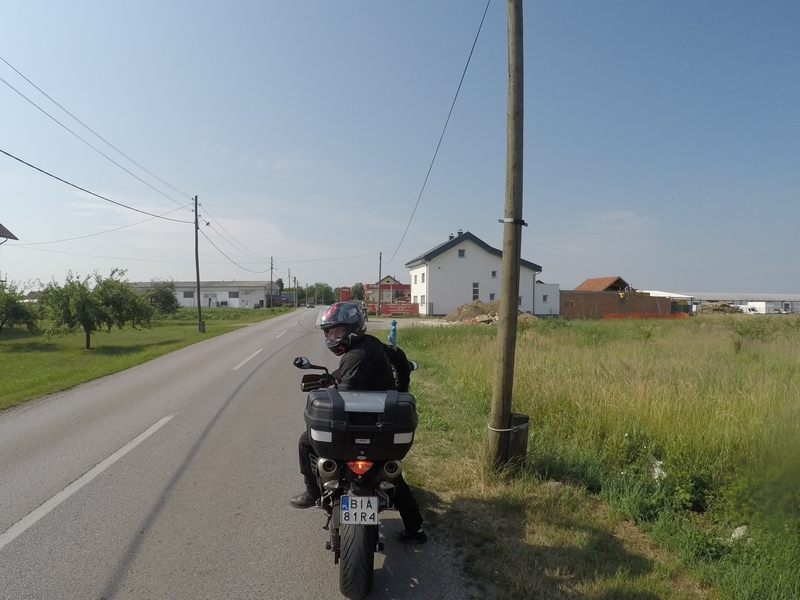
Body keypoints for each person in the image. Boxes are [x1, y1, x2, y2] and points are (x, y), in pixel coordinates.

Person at [290, 302, 427, 544]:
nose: (334, 337)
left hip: (358, 424)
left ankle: (312, 493)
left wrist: (332, 386)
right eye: (330, 332)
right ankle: (415, 528)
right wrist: (401, 389)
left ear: (353, 328)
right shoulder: (372, 344)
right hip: (383, 424)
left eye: (339, 331)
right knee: (389, 471)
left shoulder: (355, 357)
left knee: (305, 442)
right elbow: (398, 357)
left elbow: (346, 395)